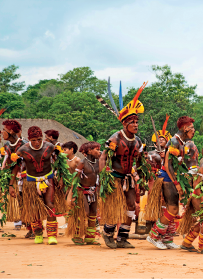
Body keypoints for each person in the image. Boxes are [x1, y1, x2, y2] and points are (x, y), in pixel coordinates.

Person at [99, 83, 146, 249]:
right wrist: (104, 174)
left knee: (131, 207)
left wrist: (142, 175)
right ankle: (107, 234)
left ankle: (122, 238)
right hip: (115, 178)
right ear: (125, 124)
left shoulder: (138, 141)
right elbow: (104, 157)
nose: (136, 125)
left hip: (129, 178)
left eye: (137, 122)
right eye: (132, 122)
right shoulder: (115, 138)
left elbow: (141, 160)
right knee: (115, 206)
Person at [146, 116, 195, 250]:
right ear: (185, 128)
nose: (193, 130)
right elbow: (168, 165)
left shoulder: (181, 142)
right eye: (191, 128)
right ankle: (154, 235)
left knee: (173, 209)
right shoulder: (173, 141)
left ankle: (167, 239)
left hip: (173, 178)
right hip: (168, 178)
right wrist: (177, 183)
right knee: (172, 209)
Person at [9, 126, 59, 245]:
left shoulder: (50, 147)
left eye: (39, 139)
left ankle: (52, 236)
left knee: (50, 205)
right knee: (34, 208)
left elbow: (59, 162)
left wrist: (61, 178)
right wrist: (11, 185)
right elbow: (15, 168)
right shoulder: (22, 150)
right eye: (33, 140)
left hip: (48, 179)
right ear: (29, 140)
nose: (37, 143)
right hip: (31, 182)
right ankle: (38, 233)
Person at [67, 142, 101, 245]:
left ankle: (90, 238)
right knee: (84, 213)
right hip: (81, 191)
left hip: (93, 191)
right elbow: (75, 179)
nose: (99, 151)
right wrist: (72, 196)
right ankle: (77, 235)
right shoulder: (82, 163)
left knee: (93, 213)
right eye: (97, 149)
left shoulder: (99, 162)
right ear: (89, 151)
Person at [1, 120, 27, 231]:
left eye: (4, 130)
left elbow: (19, 164)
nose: (2, 132)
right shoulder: (7, 145)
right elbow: (8, 163)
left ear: (11, 131)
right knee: (17, 199)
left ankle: (31, 225)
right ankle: (19, 221)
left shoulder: (24, 144)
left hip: (26, 177)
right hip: (13, 175)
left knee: (25, 199)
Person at [60, 141, 81, 229]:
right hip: (67, 184)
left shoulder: (77, 160)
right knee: (66, 203)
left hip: (76, 184)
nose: (63, 152)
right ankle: (67, 222)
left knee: (73, 203)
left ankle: (75, 222)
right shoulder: (65, 160)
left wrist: (74, 186)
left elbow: (80, 174)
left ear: (71, 150)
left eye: (65, 150)